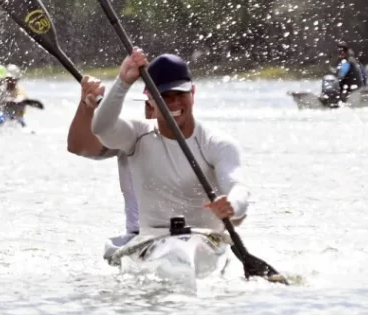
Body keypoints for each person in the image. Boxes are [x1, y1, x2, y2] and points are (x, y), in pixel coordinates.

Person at [90, 50, 249, 237]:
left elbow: (237, 186)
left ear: (193, 93)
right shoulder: (137, 135)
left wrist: (232, 205)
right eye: (164, 95)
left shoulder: (218, 143)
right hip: (152, 240)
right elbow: (101, 128)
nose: (174, 102)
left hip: (206, 241)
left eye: (180, 93)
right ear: (150, 99)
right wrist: (123, 82)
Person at [66, 75, 139, 261]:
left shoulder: (204, 140)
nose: (168, 106)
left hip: (191, 234)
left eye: (175, 97)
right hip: (141, 236)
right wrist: (87, 106)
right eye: (152, 103)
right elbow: (78, 146)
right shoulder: (131, 136)